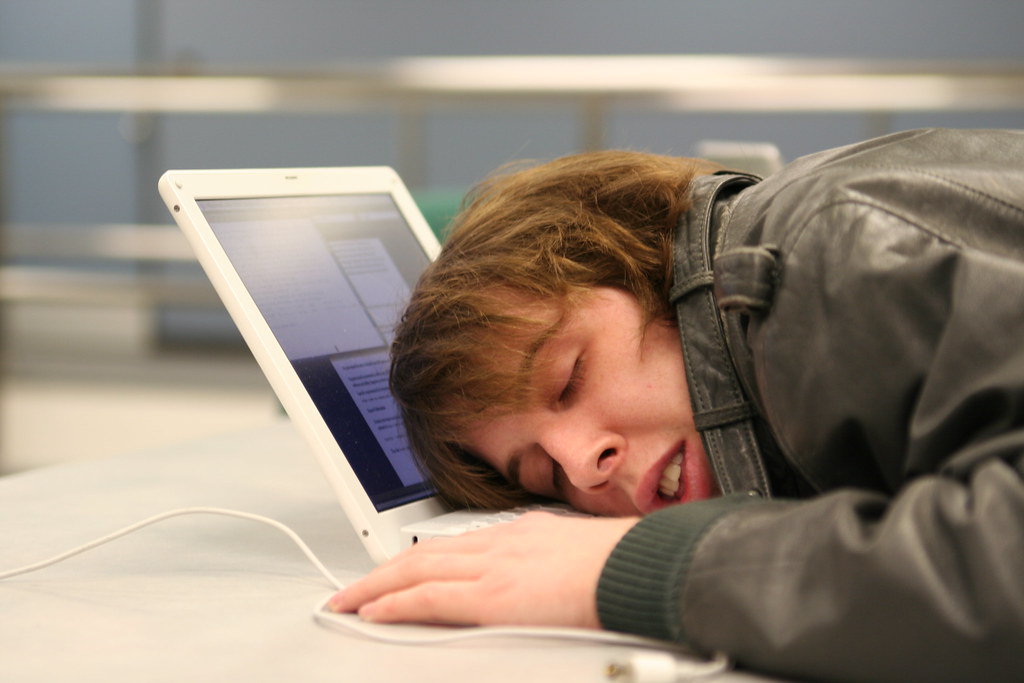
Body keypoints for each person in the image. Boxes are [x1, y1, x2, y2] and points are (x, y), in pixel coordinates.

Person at [328, 128, 1024, 683]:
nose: (583, 462)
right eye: (545, 475)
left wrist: (640, 568)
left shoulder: (829, 253)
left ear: (643, 262)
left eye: (570, 377)